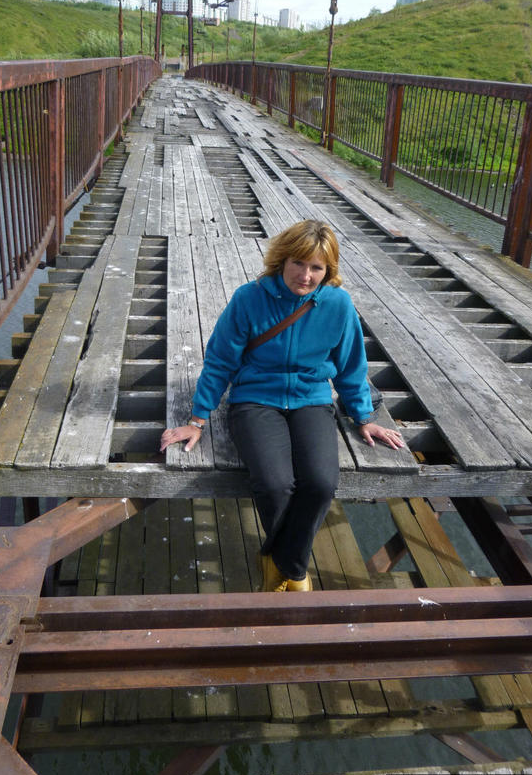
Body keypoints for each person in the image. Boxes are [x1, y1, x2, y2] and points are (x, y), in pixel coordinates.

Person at [160, 220, 405, 592]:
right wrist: (198, 417)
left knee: (321, 483)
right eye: (298, 263)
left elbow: (351, 365)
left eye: (316, 268)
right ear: (281, 260)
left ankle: (280, 563)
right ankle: (296, 571)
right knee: (276, 484)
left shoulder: (338, 304)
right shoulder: (249, 298)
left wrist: (363, 416)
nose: (305, 276)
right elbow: (220, 360)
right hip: (255, 398)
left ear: (328, 271)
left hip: (311, 398)